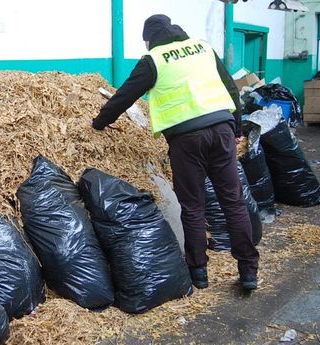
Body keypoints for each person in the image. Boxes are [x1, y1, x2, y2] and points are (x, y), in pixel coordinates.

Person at [91, 14, 259, 290]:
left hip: (186, 140)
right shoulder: (202, 48)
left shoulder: (154, 60)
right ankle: (248, 271)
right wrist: (237, 127)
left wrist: (100, 123)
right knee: (233, 201)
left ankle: (199, 273)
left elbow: (125, 95)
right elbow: (230, 87)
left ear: (149, 39)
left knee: (193, 207)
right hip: (221, 130)